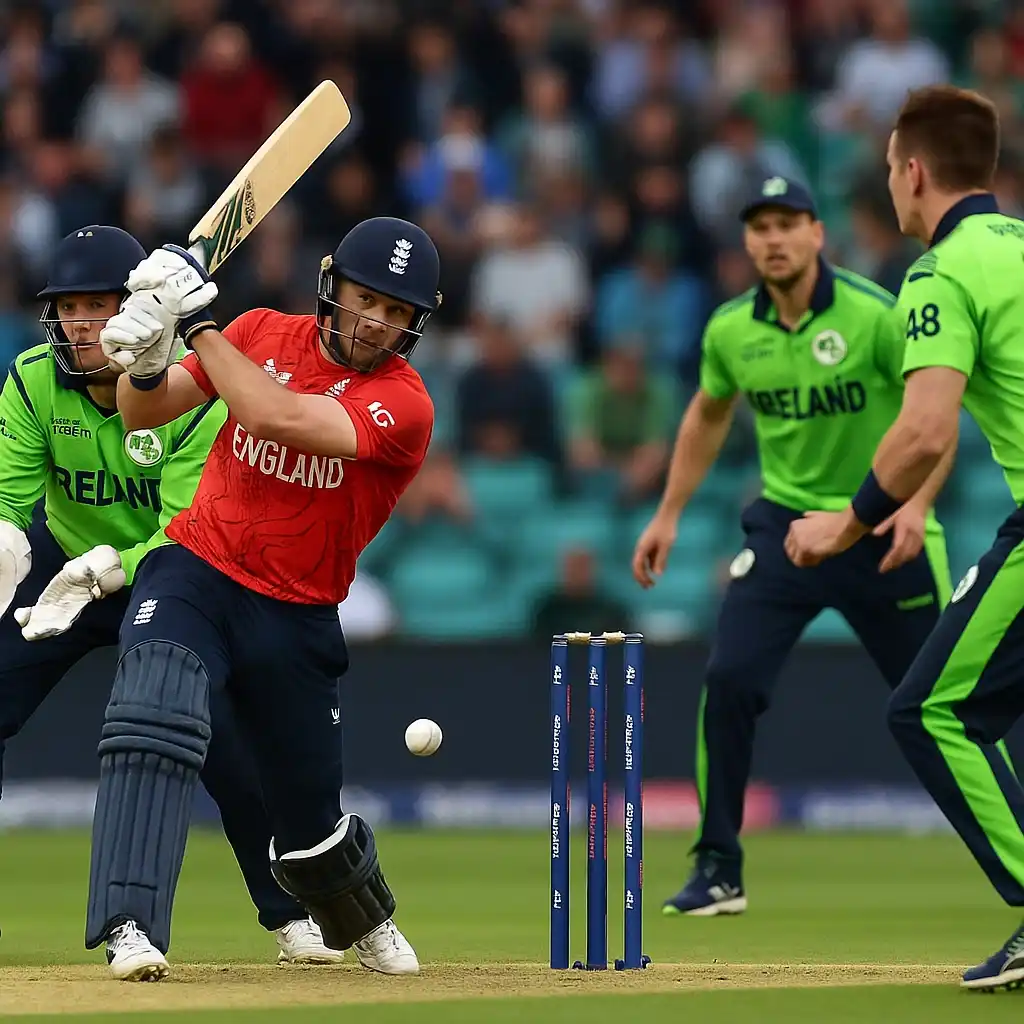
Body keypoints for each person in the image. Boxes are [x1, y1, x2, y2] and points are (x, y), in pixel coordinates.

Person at [83, 217, 440, 980]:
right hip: (199, 567)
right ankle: (129, 924)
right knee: (151, 707)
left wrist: (196, 323)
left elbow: (276, 416)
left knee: (306, 823)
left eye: (396, 311)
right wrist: (148, 358)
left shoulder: (404, 405)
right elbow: (142, 411)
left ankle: (362, 914)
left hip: (297, 612)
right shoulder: (259, 332)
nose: (376, 321)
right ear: (331, 285)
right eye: (365, 298)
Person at [0, 225, 342, 975]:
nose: (80, 325)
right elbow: (9, 505)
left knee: (217, 742)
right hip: (60, 569)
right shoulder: (30, 381)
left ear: (134, 309)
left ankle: (288, 914)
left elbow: (187, 526)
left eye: (98, 306)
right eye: (68, 309)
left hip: (167, 570)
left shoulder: (191, 394)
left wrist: (112, 569)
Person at [631, 177, 955, 917]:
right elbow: (708, 414)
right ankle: (718, 867)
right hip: (788, 530)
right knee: (730, 679)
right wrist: (669, 513)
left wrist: (915, 504)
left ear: (817, 233)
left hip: (881, 525)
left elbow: (933, 418)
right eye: (760, 227)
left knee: (944, 707)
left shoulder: (876, 316)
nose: (773, 239)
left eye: (787, 224)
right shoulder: (730, 331)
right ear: (748, 243)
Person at [784, 86, 1024, 993]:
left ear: (914, 172)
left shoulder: (941, 272)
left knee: (930, 710)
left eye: (890, 168)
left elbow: (925, 429)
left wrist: (845, 525)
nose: (889, 184)